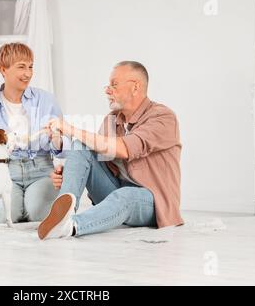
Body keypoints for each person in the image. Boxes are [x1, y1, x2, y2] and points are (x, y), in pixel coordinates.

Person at [38, 61, 183, 240]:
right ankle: (62, 213)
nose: (107, 90)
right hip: (116, 191)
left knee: (126, 195)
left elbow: (124, 149)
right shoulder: (112, 120)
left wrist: (71, 129)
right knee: (80, 145)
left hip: (153, 203)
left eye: (114, 85)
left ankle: (71, 226)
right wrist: (68, 173)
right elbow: (95, 157)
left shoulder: (163, 117)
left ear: (135, 87)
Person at [0, 43, 67, 223]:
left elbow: (61, 150)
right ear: (3, 69)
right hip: (6, 171)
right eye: (21, 67)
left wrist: (56, 137)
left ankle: (28, 204)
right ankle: (19, 205)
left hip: (41, 169)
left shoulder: (46, 100)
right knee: (5, 216)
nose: (28, 73)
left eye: (30, 67)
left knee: (40, 215)